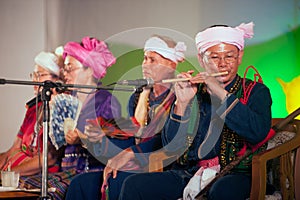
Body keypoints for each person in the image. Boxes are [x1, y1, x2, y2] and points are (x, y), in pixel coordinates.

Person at [118, 22, 273, 200]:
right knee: (134, 185)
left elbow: (257, 133)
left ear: (239, 57)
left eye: (229, 56)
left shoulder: (256, 91)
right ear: (201, 59)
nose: (223, 64)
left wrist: (221, 94)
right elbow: (171, 146)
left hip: (236, 174)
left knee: (222, 191)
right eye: (214, 57)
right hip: (191, 172)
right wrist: (181, 103)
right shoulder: (194, 91)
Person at [65, 34, 187, 200]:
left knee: (119, 179)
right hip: (137, 160)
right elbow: (134, 133)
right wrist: (102, 136)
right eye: (145, 59)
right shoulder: (138, 97)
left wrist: (130, 154)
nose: (145, 65)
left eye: (153, 60)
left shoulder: (181, 96)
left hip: (165, 165)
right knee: (80, 184)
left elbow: (167, 140)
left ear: (171, 64)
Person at [60, 36, 122, 173]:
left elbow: (112, 145)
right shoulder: (68, 101)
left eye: (69, 68)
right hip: (67, 171)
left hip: (92, 172)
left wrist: (81, 139)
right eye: (64, 69)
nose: (65, 74)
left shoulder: (106, 102)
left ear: (90, 70)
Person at [0, 50, 64, 176]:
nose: (34, 80)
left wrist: (8, 175)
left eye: (40, 75)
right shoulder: (32, 108)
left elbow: (50, 158)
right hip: (20, 168)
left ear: (56, 79)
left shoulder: (61, 107)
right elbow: (15, 147)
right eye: (33, 75)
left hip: (42, 174)